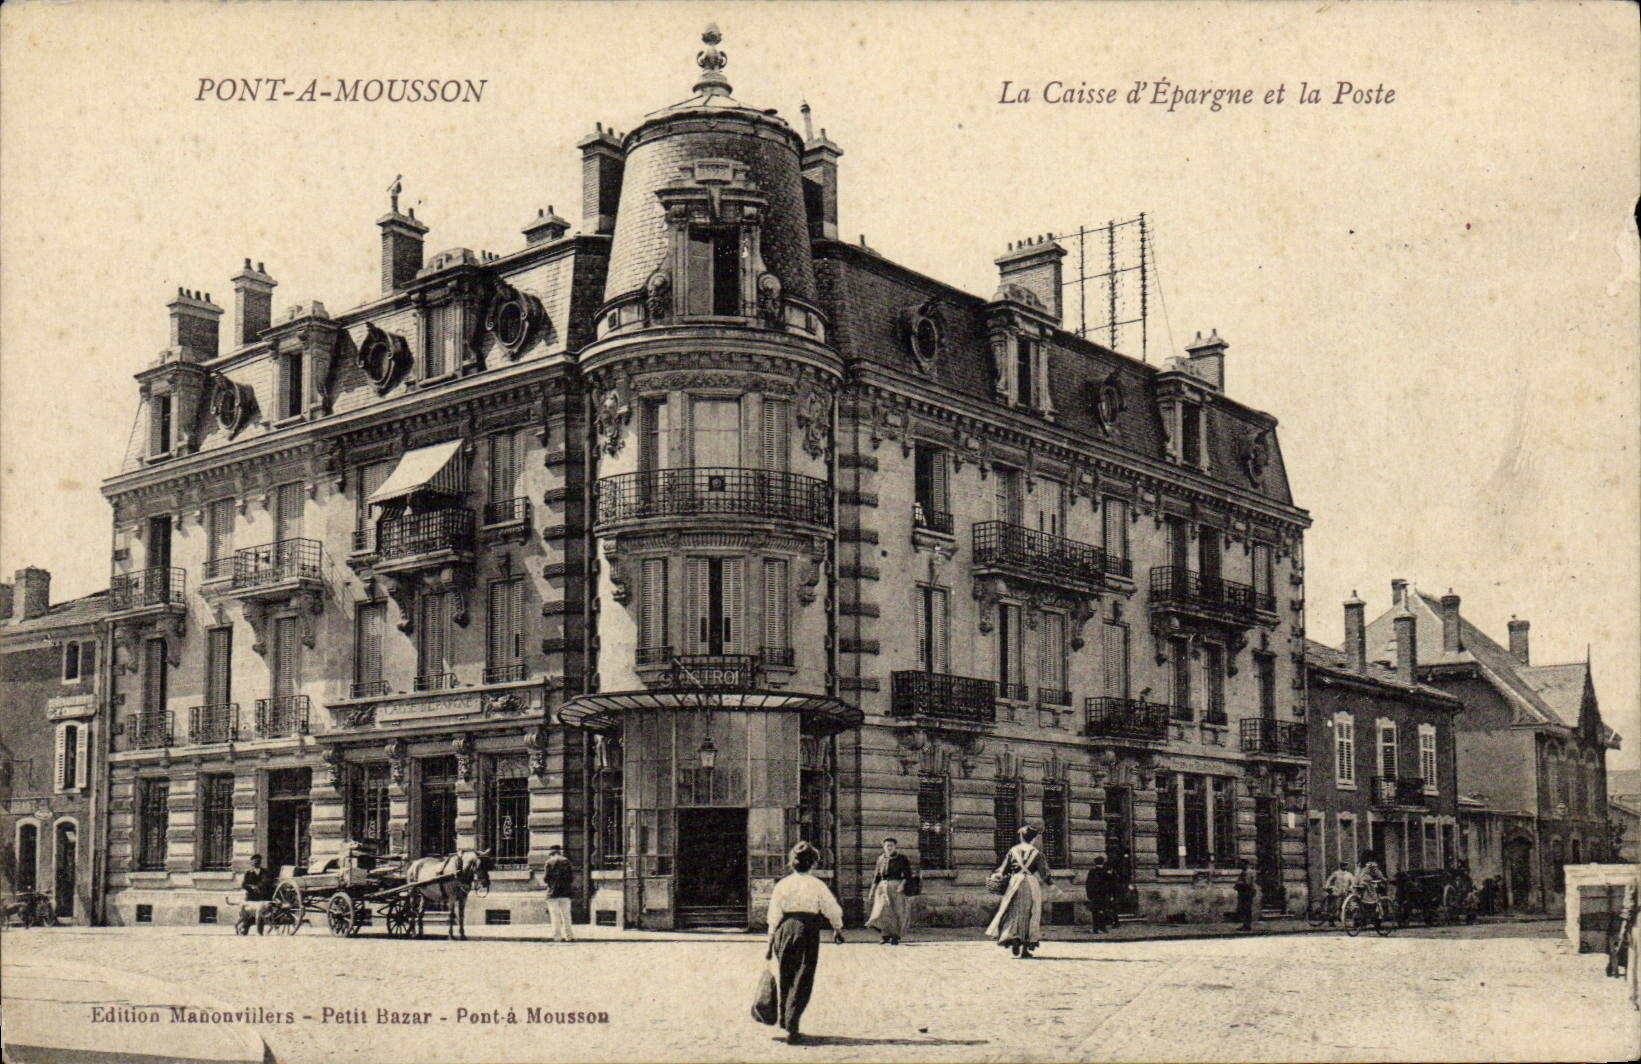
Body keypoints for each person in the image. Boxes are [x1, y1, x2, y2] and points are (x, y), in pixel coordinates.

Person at [765, 841, 845, 1045]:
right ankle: (793, 1024)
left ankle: (785, 1021)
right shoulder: (817, 885)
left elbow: (773, 914)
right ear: (813, 864)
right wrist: (837, 929)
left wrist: (769, 942)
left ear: (792, 863)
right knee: (803, 977)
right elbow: (832, 909)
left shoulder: (783, 884)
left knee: (786, 975)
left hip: (784, 930)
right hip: (807, 930)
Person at [987, 825, 1049, 958]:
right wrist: (1053, 886)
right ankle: (1026, 947)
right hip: (1031, 884)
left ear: (1021, 837)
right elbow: (1045, 874)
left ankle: (1013, 938)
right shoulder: (1037, 853)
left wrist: (995, 876)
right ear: (1033, 838)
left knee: (1011, 911)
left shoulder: (1013, 851)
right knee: (1031, 913)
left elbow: (1002, 870)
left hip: (1015, 883)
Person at [865, 837, 913, 945]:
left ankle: (895, 936)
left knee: (896, 911)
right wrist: (872, 890)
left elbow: (908, 875)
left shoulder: (902, 858)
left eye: (891, 845)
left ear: (895, 847)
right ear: (884, 847)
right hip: (882, 888)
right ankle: (885, 935)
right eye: (887, 846)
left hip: (896, 887)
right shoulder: (881, 859)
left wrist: (902, 885)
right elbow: (877, 876)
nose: (889, 848)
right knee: (882, 912)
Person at [542, 843, 574, 942]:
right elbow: (571, 878)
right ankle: (569, 936)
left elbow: (546, 879)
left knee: (554, 916)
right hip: (565, 892)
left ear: (551, 853)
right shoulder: (566, 861)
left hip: (552, 893)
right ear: (559, 852)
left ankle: (557, 937)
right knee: (566, 915)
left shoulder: (549, 862)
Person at [1084, 854, 1120, 933]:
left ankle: (1096, 928)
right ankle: (1103, 928)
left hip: (1094, 896)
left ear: (1095, 863)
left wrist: (1089, 895)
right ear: (1103, 863)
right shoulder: (1106, 873)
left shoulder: (1092, 872)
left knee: (1095, 912)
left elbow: (1088, 884)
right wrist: (1111, 895)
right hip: (1104, 895)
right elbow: (1111, 883)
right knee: (1103, 911)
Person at [1234, 859, 1258, 931]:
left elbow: (1247, 883)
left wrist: (1238, 884)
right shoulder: (1245, 872)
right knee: (1244, 909)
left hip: (1247, 893)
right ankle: (1246, 925)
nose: (1240, 865)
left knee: (1246, 909)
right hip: (1245, 892)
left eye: (1242, 864)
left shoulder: (1248, 872)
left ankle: (1247, 925)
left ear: (1245, 864)